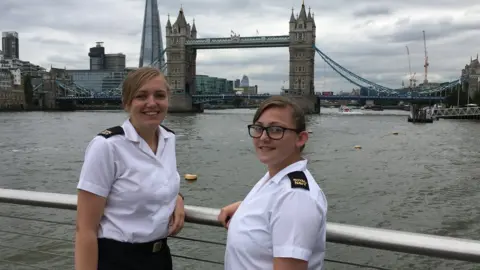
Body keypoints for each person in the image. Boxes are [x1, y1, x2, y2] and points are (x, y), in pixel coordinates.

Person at [75, 67, 185, 270]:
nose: (152, 103)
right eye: (141, 96)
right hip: (118, 259)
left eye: (159, 95)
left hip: (160, 257)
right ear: (127, 103)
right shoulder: (107, 146)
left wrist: (176, 199)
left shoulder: (168, 139)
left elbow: (158, 181)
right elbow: (85, 229)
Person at [218, 96, 328, 270]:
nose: (263, 137)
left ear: (301, 139)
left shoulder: (295, 197)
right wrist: (246, 208)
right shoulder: (273, 179)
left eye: (276, 130)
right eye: (258, 128)